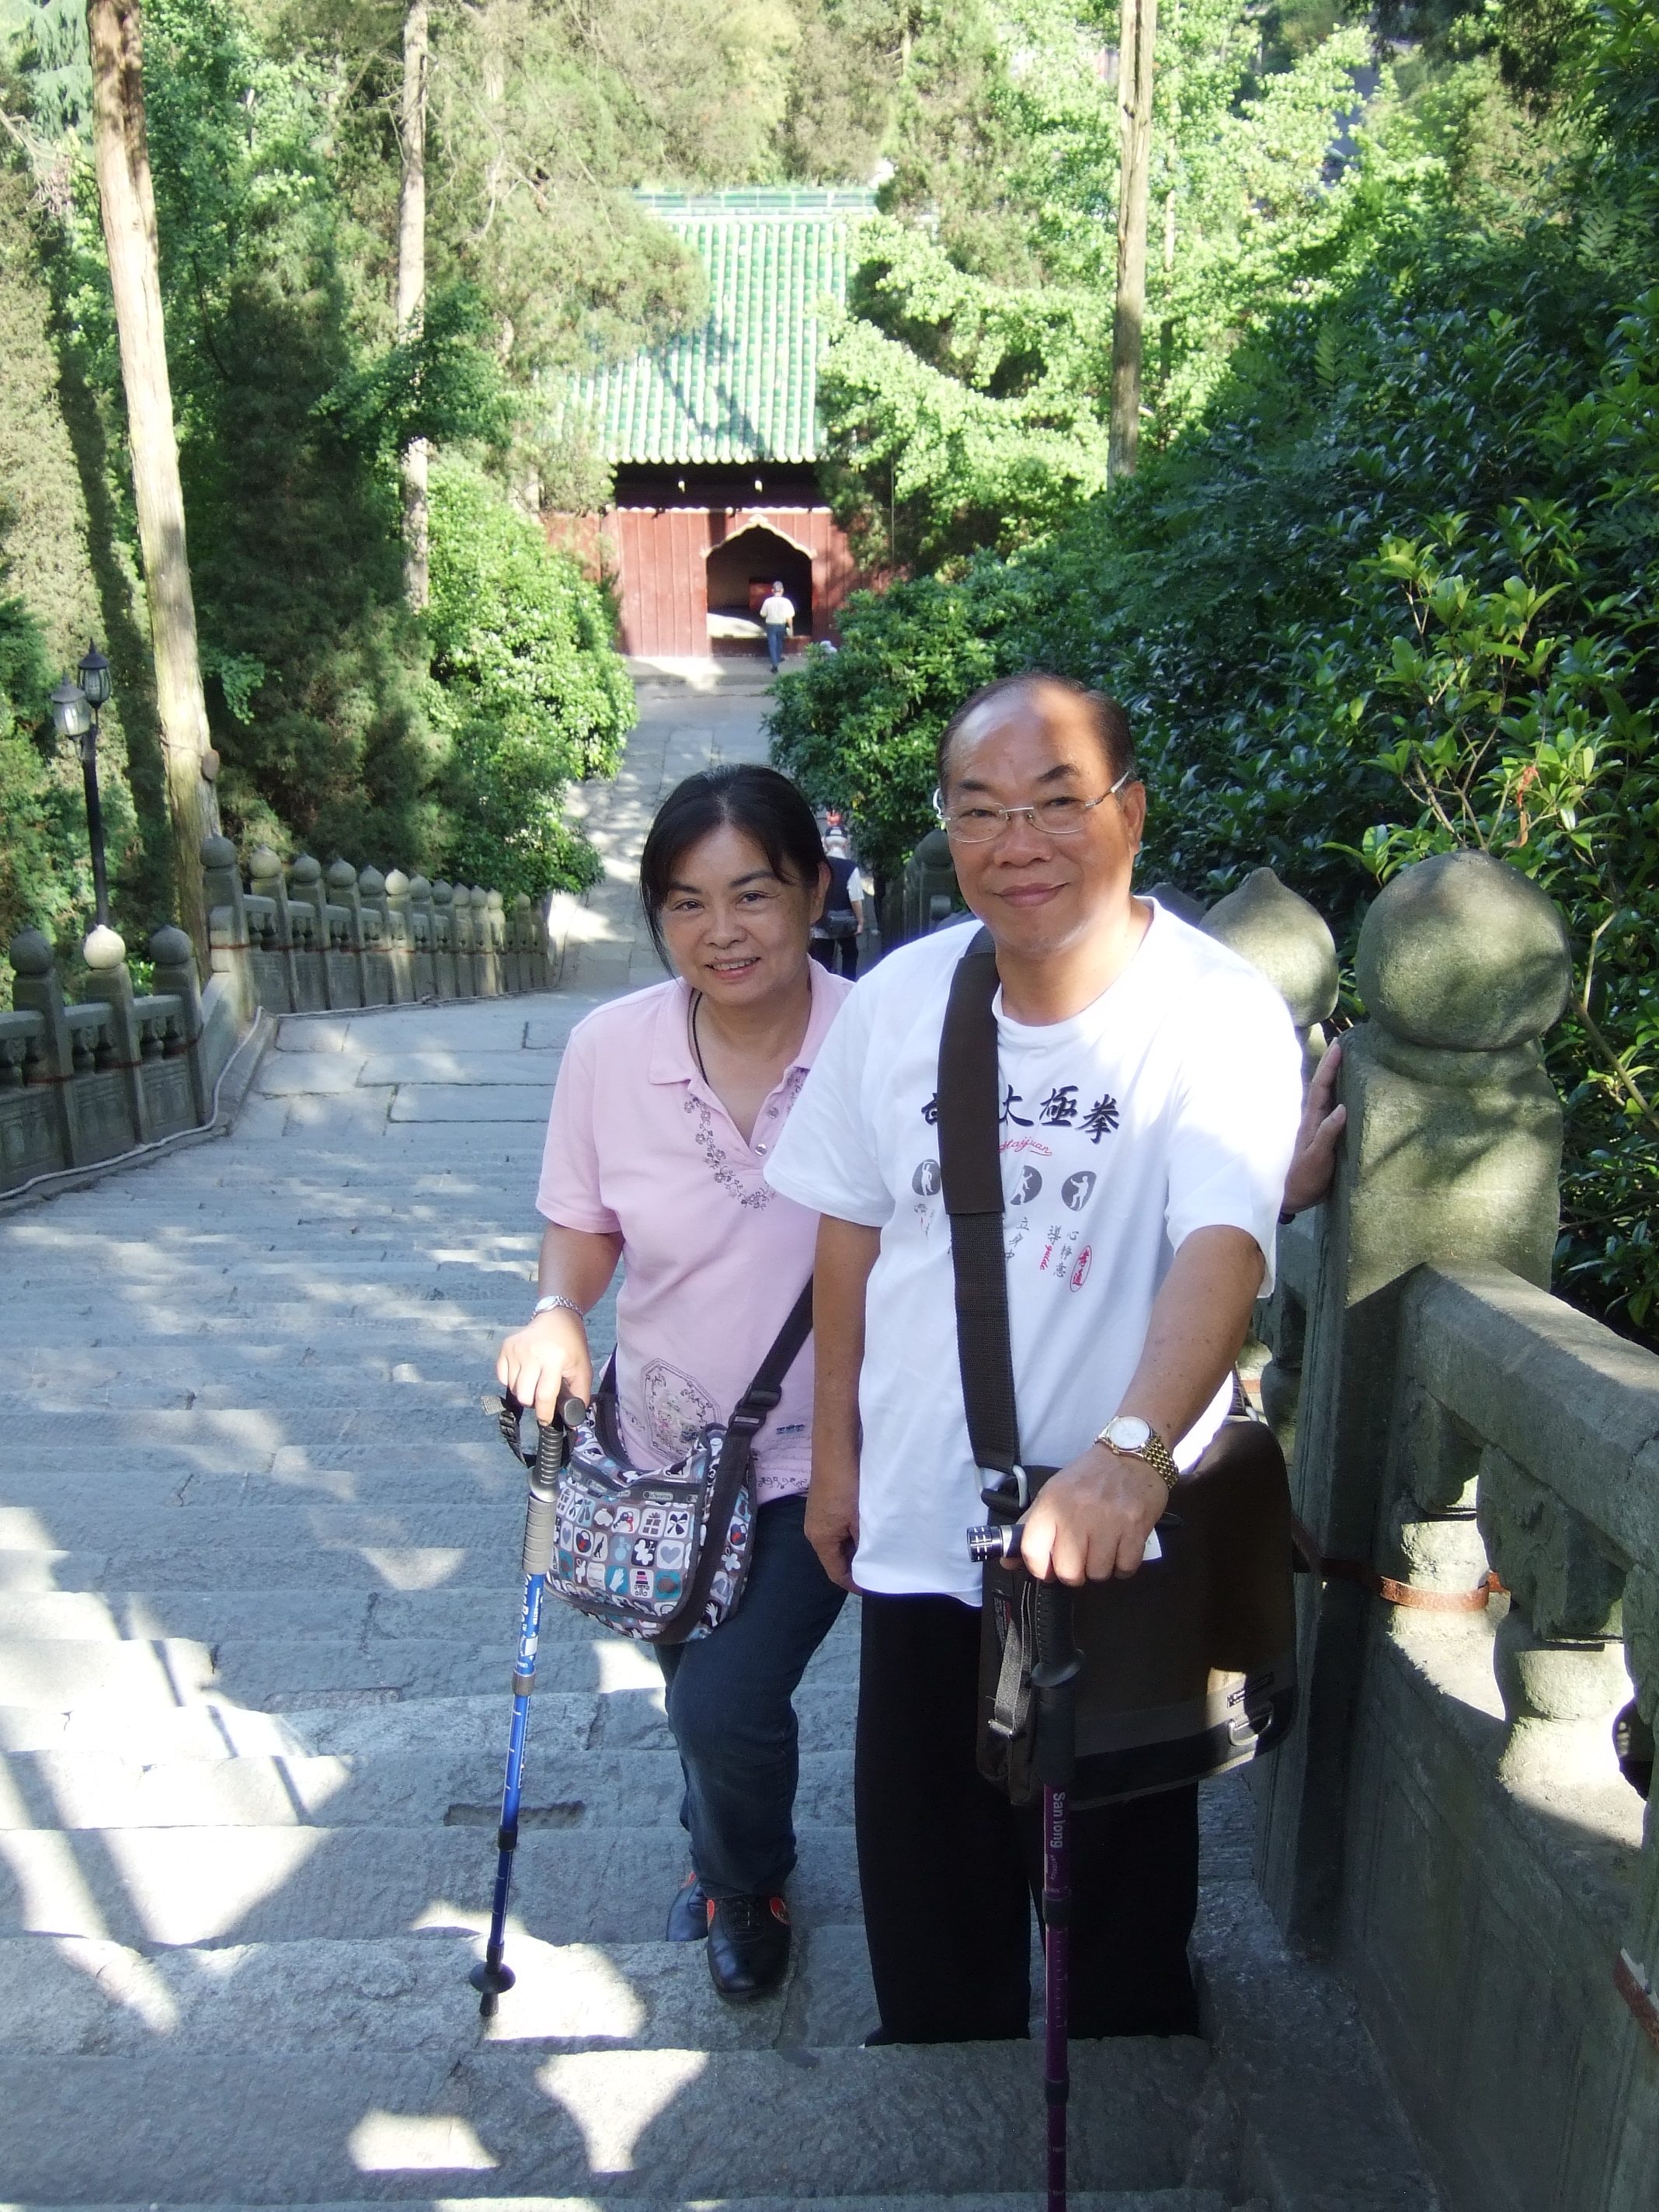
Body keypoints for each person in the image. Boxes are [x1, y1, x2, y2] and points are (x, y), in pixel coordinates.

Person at [764, 671, 1313, 2045]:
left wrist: (1132, 1454)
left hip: (1111, 1551)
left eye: (1058, 802)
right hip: (918, 1527)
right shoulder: (900, 1002)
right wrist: (834, 1458)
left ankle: (1129, 2100)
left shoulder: (1216, 1010)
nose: (1018, 843)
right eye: (980, 810)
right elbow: (848, 1236)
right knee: (929, 1907)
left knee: (1117, 1929)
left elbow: (1222, 1245)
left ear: (1131, 810)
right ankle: (941, 2100)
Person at [496, 763, 850, 2004]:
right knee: (693, 1685)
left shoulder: (883, 1041)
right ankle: (726, 1841)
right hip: (658, 1459)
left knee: (725, 1701)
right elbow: (583, 1224)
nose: (722, 932)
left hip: (827, 1453)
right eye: (687, 904)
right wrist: (558, 1313)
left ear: (814, 891)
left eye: (753, 893)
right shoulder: (610, 1050)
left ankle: (745, 1880)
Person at [809, 830, 864, 979]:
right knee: (850, 954)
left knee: (823, 960)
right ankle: (848, 985)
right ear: (846, 844)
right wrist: (860, 921)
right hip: (845, 922)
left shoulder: (819, 867)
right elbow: (855, 897)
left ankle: (823, 987)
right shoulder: (850, 867)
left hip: (822, 920)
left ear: (826, 843)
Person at [759, 581, 795, 671]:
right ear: (782, 590)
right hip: (781, 625)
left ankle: (774, 665)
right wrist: (791, 628)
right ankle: (777, 659)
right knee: (779, 643)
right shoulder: (786, 602)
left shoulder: (768, 601)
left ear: (772, 590)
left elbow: (763, 614)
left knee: (772, 644)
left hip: (771, 625)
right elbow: (789, 617)